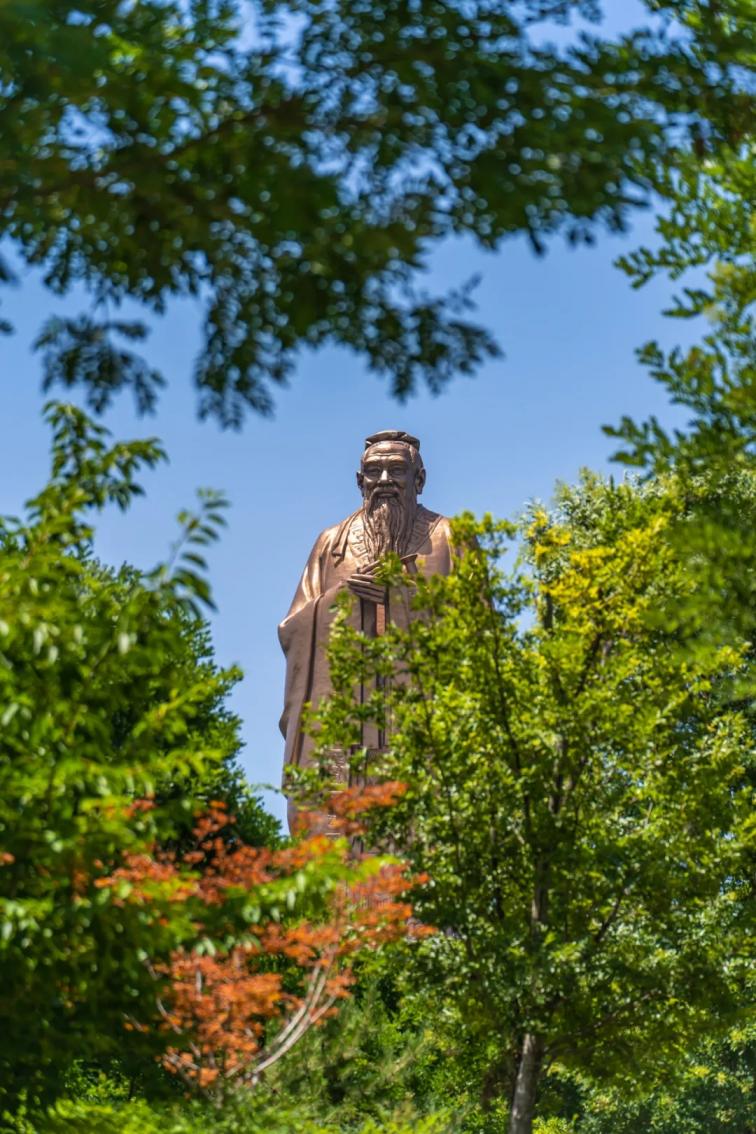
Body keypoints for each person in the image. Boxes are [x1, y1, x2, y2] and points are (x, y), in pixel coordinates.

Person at [278, 430, 454, 830]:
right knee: (335, 837)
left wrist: (402, 599)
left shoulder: (448, 539)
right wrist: (343, 601)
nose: (384, 480)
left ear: (419, 479)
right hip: (343, 717)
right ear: (360, 481)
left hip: (418, 714)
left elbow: (477, 628)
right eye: (374, 471)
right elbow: (293, 629)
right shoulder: (332, 544)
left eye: (397, 470)